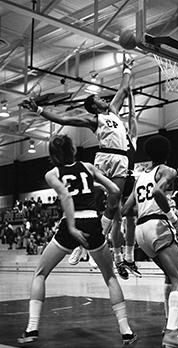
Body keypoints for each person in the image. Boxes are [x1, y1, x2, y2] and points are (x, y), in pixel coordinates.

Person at [21, 56, 140, 280]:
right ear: (94, 104)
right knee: (94, 202)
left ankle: (87, 243)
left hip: (122, 159)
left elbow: (124, 88)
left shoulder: (114, 110)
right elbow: (64, 119)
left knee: (114, 206)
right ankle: (79, 245)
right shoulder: (92, 118)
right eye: (99, 99)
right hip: (105, 157)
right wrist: (38, 110)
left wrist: (127, 68)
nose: (105, 99)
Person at [17, 135, 136, 345]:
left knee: (40, 274)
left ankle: (31, 329)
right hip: (92, 221)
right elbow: (115, 190)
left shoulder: (52, 174)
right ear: (73, 150)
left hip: (71, 223)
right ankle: (126, 331)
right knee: (109, 277)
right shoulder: (88, 167)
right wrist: (110, 211)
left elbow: (65, 196)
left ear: (53, 155)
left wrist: (71, 226)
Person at [121, 135, 178, 348]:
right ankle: (171, 334)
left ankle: (170, 324)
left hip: (140, 232)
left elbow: (126, 210)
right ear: (167, 152)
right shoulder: (168, 170)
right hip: (158, 226)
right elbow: (156, 192)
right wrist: (177, 222)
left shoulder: (140, 177)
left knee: (169, 276)